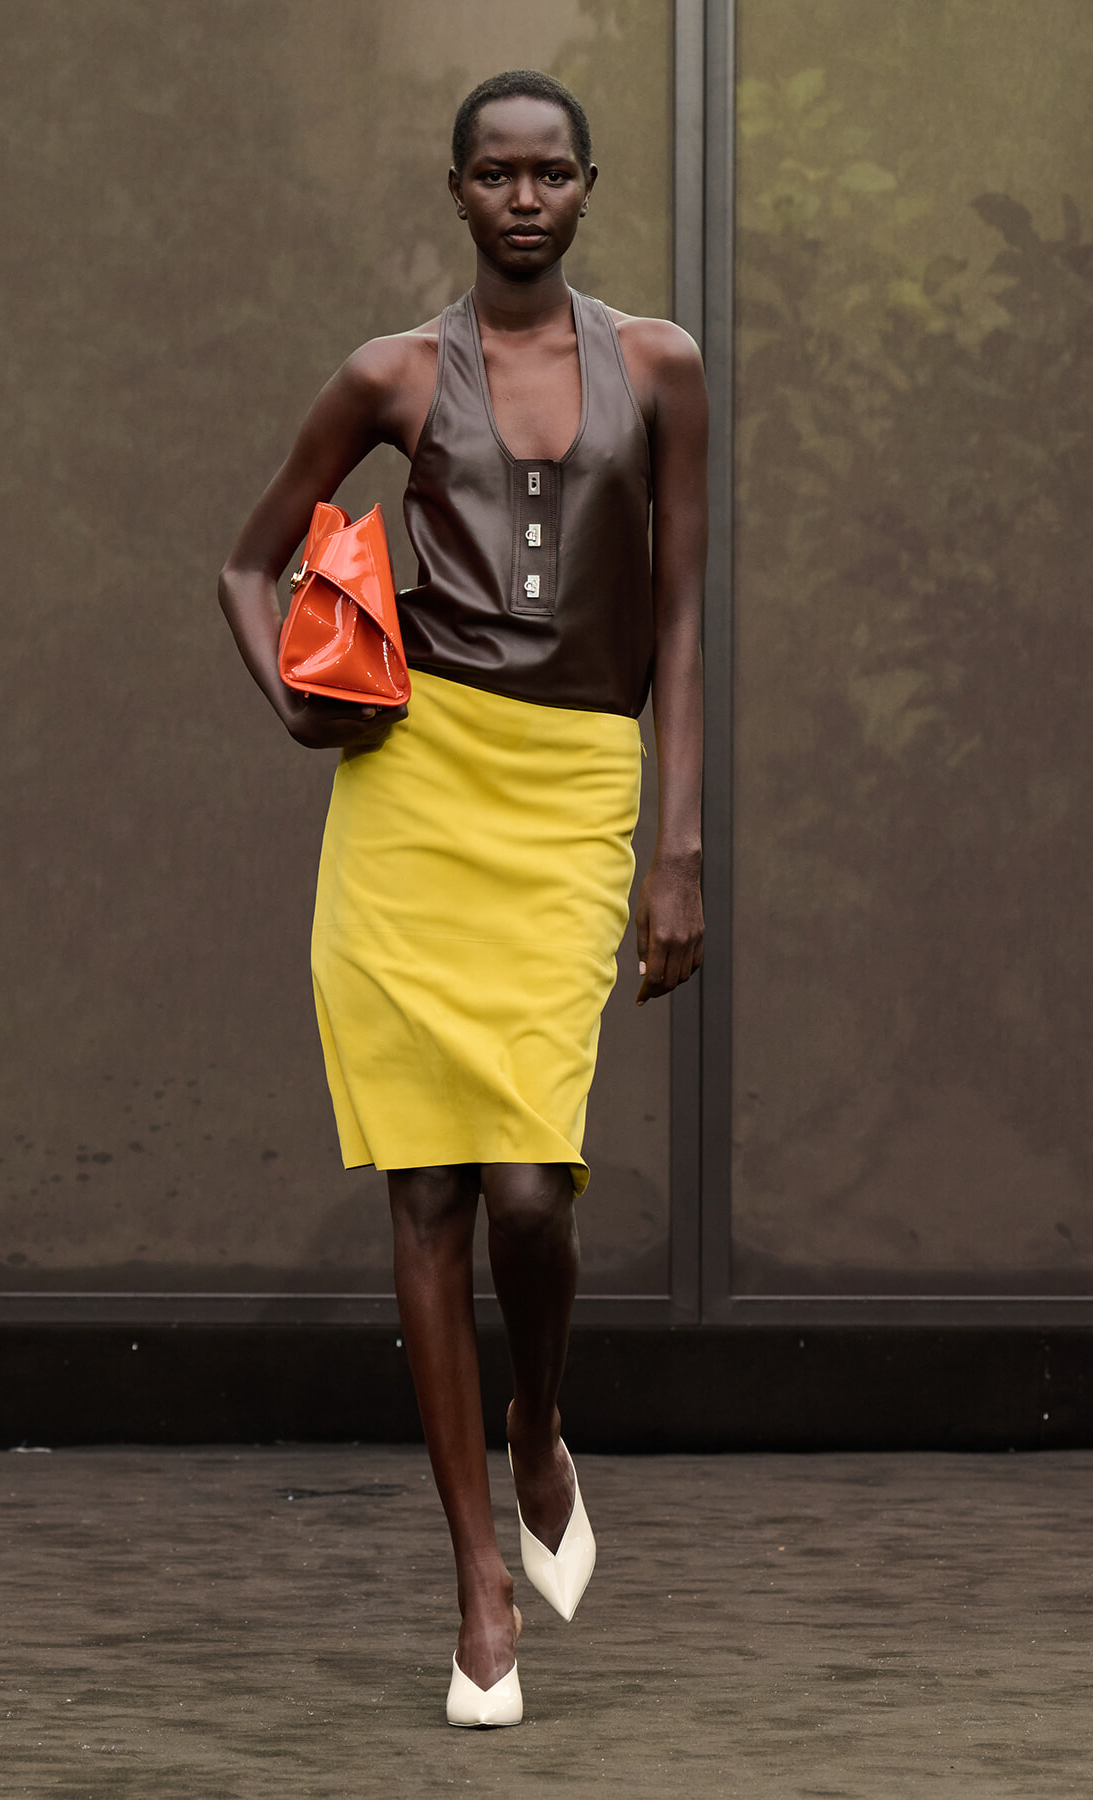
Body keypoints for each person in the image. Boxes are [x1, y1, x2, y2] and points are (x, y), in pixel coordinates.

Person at [219, 69, 706, 1727]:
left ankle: (540, 1423)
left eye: (551, 172)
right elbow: (247, 557)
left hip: (573, 792)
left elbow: (683, 620)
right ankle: (475, 1578)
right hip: (413, 797)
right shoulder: (391, 373)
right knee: (426, 1197)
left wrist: (681, 846)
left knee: (526, 1192)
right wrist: (298, 699)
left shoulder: (660, 367)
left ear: (588, 189)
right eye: (496, 173)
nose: (524, 196)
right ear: (456, 190)